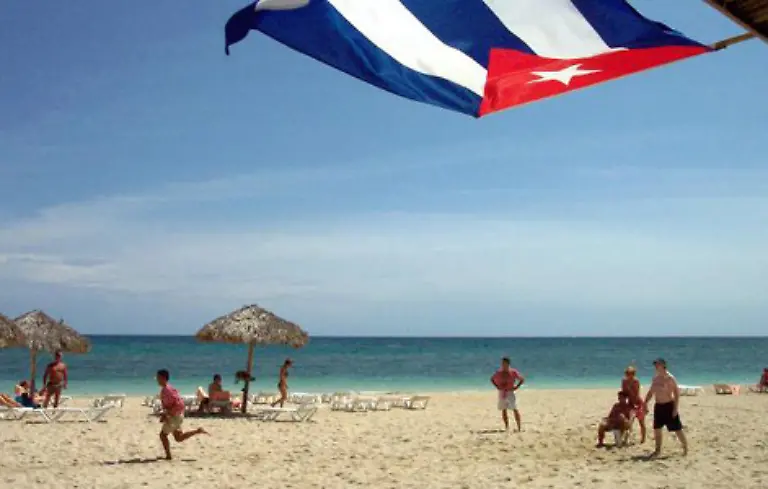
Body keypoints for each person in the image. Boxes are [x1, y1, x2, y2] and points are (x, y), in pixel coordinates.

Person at [156, 369, 208, 460]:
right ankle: (198, 431)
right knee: (179, 438)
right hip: (177, 416)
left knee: (162, 435)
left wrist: (168, 414)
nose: (157, 379)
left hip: (175, 416)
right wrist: (165, 415)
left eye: (158, 377)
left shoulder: (167, 390)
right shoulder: (167, 389)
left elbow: (178, 404)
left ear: (163, 378)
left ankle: (168, 456)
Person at [644, 358, 688, 457]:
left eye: (657, 364)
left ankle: (685, 447)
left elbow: (676, 393)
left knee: (677, 429)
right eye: (655, 365)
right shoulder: (655, 378)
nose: (655, 366)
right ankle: (657, 450)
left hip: (669, 405)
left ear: (663, 365)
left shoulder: (670, 378)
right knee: (657, 429)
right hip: (658, 406)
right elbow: (651, 392)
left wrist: (675, 408)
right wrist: (645, 402)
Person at [490, 357, 525, 432]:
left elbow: (522, 379)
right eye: (502, 363)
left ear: (508, 364)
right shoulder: (499, 372)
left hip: (510, 392)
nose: (503, 365)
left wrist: (516, 387)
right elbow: (492, 379)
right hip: (502, 392)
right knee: (503, 409)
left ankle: (519, 427)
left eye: (504, 363)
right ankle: (507, 427)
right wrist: (497, 387)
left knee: (514, 409)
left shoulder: (513, 372)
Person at [621, 365, 647, 443]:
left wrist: (629, 388)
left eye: (631, 374)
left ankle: (643, 439)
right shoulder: (624, 381)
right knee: (628, 421)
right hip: (630, 403)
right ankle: (625, 438)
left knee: (641, 422)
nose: (629, 375)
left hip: (637, 403)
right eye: (627, 373)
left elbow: (636, 394)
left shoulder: (636, 381)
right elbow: (624, 393)